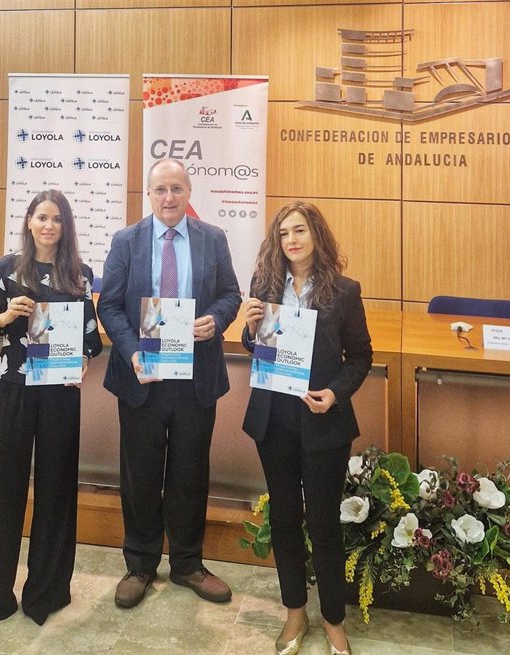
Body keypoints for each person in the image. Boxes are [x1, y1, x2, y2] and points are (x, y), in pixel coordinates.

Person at [98, 158, 241, 609]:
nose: (169, 198)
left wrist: (215, 321)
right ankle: (139, 564)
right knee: (139, 475)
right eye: (160, 190)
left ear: (189, 191)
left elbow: (231, 295)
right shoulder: (127, 241)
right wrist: (131, 350)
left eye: (176, 188)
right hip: (143, 377)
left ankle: (187, 565)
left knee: (189, 473)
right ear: (150, 193)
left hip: (195, 378)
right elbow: (111, 306)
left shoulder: (212, 238)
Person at [242, 201, 373, 655]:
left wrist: (335, 393)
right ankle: (295, 610)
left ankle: (334, 619)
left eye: (299, 230)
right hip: (274, 419)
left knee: (323, 524)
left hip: (323, 421)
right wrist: (250, 326)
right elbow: (253, 343)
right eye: (283, 234)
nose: (291, 240)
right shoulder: (266, 284)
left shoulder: (344, 291)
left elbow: (360, 358)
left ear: (316, 234)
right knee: (282, 517)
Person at [0, 189, 102, 625]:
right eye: (41, 217)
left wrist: (81, 358)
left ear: (66, 227)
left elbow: (91, 338)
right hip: (14, 388)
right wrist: (4, 317)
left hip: (60, 393)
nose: (49, 225)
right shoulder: (6, 269)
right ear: (28, 222)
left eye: (57, 219)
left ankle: (46, 593)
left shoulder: (80, 273)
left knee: (57, 490)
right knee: (3, 488)